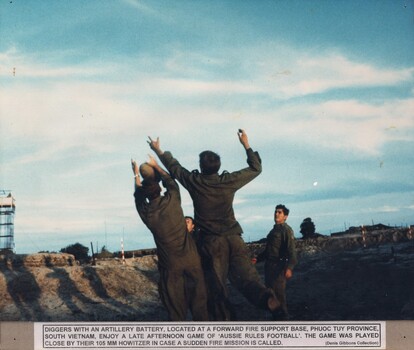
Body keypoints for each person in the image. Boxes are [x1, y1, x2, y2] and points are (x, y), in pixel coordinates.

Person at [148, 129, 279, 320]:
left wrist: (159, 152)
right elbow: (256, 168)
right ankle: (266, 298)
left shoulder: (195, 182)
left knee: (216, 288)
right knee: (248, 279)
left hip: (212, 244)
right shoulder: (228, 181)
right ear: (218, 167)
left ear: (201, 167)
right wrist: (246, 144)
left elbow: (175, 169)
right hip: (235, 239)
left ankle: (224, 324)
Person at [131, 155, 209, 321]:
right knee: (200, 309)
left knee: (176, 312)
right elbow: (171, 181)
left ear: (145, 194)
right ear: (160, 188)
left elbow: (138, 197)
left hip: (170, 266)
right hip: (192, 261)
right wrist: (156, 166)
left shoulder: (147, 213)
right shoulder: (173, 200)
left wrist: (136, 174)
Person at [256, 204, 297, 320]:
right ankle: (276, 319)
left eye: (280, 212)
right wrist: (257, 258)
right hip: (269, 267)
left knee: (279, 296)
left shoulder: (286, 230)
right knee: (270, 295)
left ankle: (284, 320)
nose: (276, 214)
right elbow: (268, 251)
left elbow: (291, 251)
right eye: (275, 212)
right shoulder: (273, 231)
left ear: (285, 217)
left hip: (279, 266)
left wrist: (290, 267)